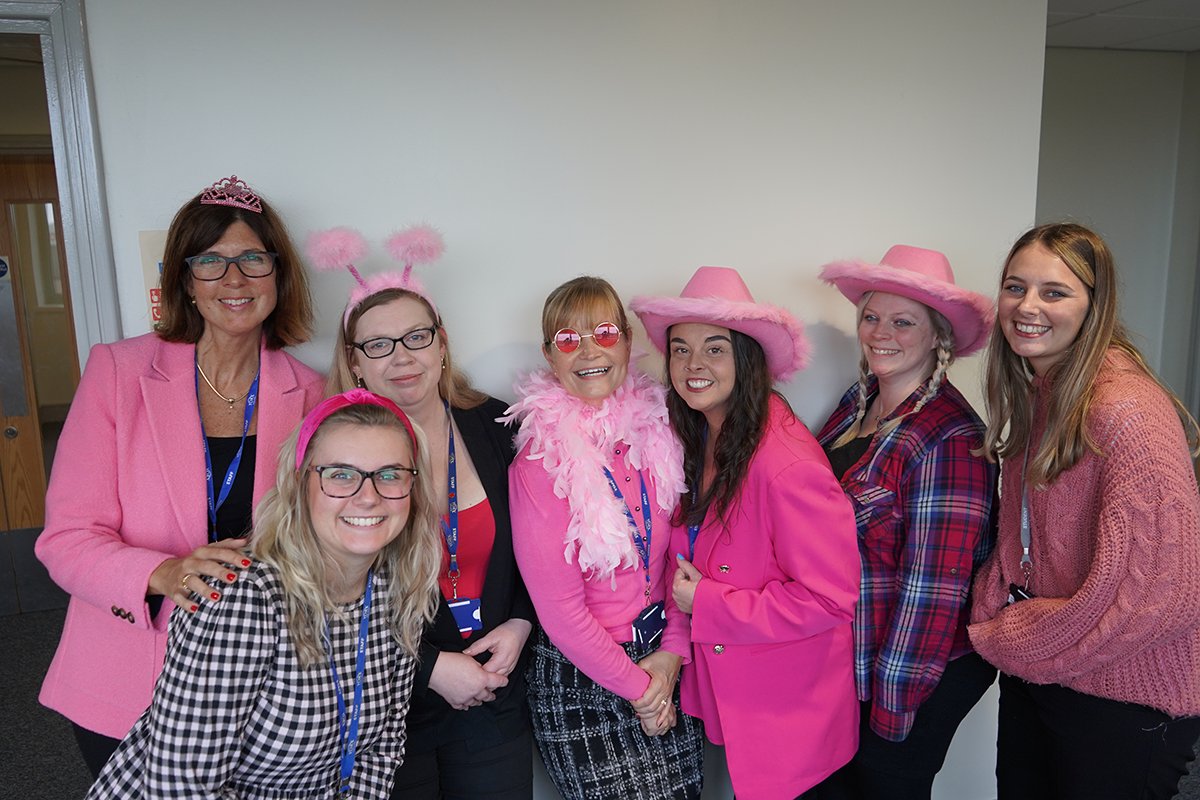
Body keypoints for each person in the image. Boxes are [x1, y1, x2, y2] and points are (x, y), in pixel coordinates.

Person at [36, 175, 325, 775]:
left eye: (252, 258)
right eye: (211, 262)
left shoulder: (312, 391)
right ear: (186, 282)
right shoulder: (118, 372)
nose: (234, 279)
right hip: (130, 677)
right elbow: (65, 539)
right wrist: (164, 572)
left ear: (279, 274)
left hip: (262, 686)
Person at [86, 389, 443, 798]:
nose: (367, 496)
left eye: (390, 474)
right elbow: (179, 788)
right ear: (299, 484)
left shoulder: (397, 590)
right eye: (340, 475)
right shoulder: (242, 599)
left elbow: (381, 750)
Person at [968, 223, 1200, 800]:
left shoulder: (1124, 409)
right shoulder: (1042, 393)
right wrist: (998, 596)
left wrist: (1017, 633)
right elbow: (1024, 541)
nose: (1027, 307)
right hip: (1049, 675)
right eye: (1014, 287)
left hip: (1125, 697)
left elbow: (1160, 595)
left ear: (1095, 307)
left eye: (1054, 292)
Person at [313, 225, 535, 800]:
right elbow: (314, 587)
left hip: (493, 689)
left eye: (416, 337)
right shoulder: (332, 449)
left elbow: (549, 540)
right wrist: (432, 668)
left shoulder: (502, 426)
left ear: (441, 345)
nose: (402, 357)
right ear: (355, 363)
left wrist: (520, 621)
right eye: (378, 344)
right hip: (383, 707)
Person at [630, 266, 859, 800]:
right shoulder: (709, 436)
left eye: (714, 349)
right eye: (681, 349)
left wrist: (706, 601)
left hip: (792, 716)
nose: (693, 365)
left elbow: (830, 599)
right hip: (751, 699)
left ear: (746, 359)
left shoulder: (785, 463)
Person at [506, 276, 705, 800]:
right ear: (550, 356)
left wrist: (672, 654)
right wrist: (643, 690)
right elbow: (561, 614)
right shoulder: (538, 463)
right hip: (584, 681)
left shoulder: (661, 431)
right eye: (569, 339)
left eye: (604, 332)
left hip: (664, 662)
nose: (589, 350)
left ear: (628, 342)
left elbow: (681, 558)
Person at [810, 246, 998, 798]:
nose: (880, 333)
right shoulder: (859, 401)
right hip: (857, 655)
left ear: (938, 336)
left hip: (915, 669)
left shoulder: (952, 438)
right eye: (871, 317)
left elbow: (932, 592)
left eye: (903, 321)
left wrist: (890, 716)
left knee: (886, 786)